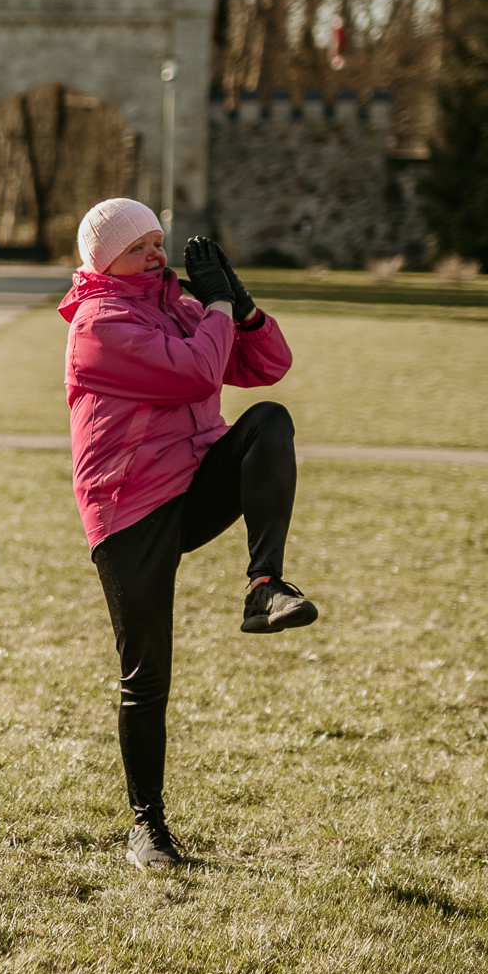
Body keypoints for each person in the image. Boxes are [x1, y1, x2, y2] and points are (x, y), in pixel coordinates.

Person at [60, 198, 316, 871]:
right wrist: (217, 307)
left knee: (268, 421)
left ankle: (265, 586)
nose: (155, 254)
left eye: (157, 240)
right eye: (137, 246)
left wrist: (243, 305)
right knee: (146, 676)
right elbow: (199, 370)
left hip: (193, 479)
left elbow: (266, 366)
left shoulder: (177, 306)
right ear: (105, 261)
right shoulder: (99, 324)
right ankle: (146, 827)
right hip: (129, 508)